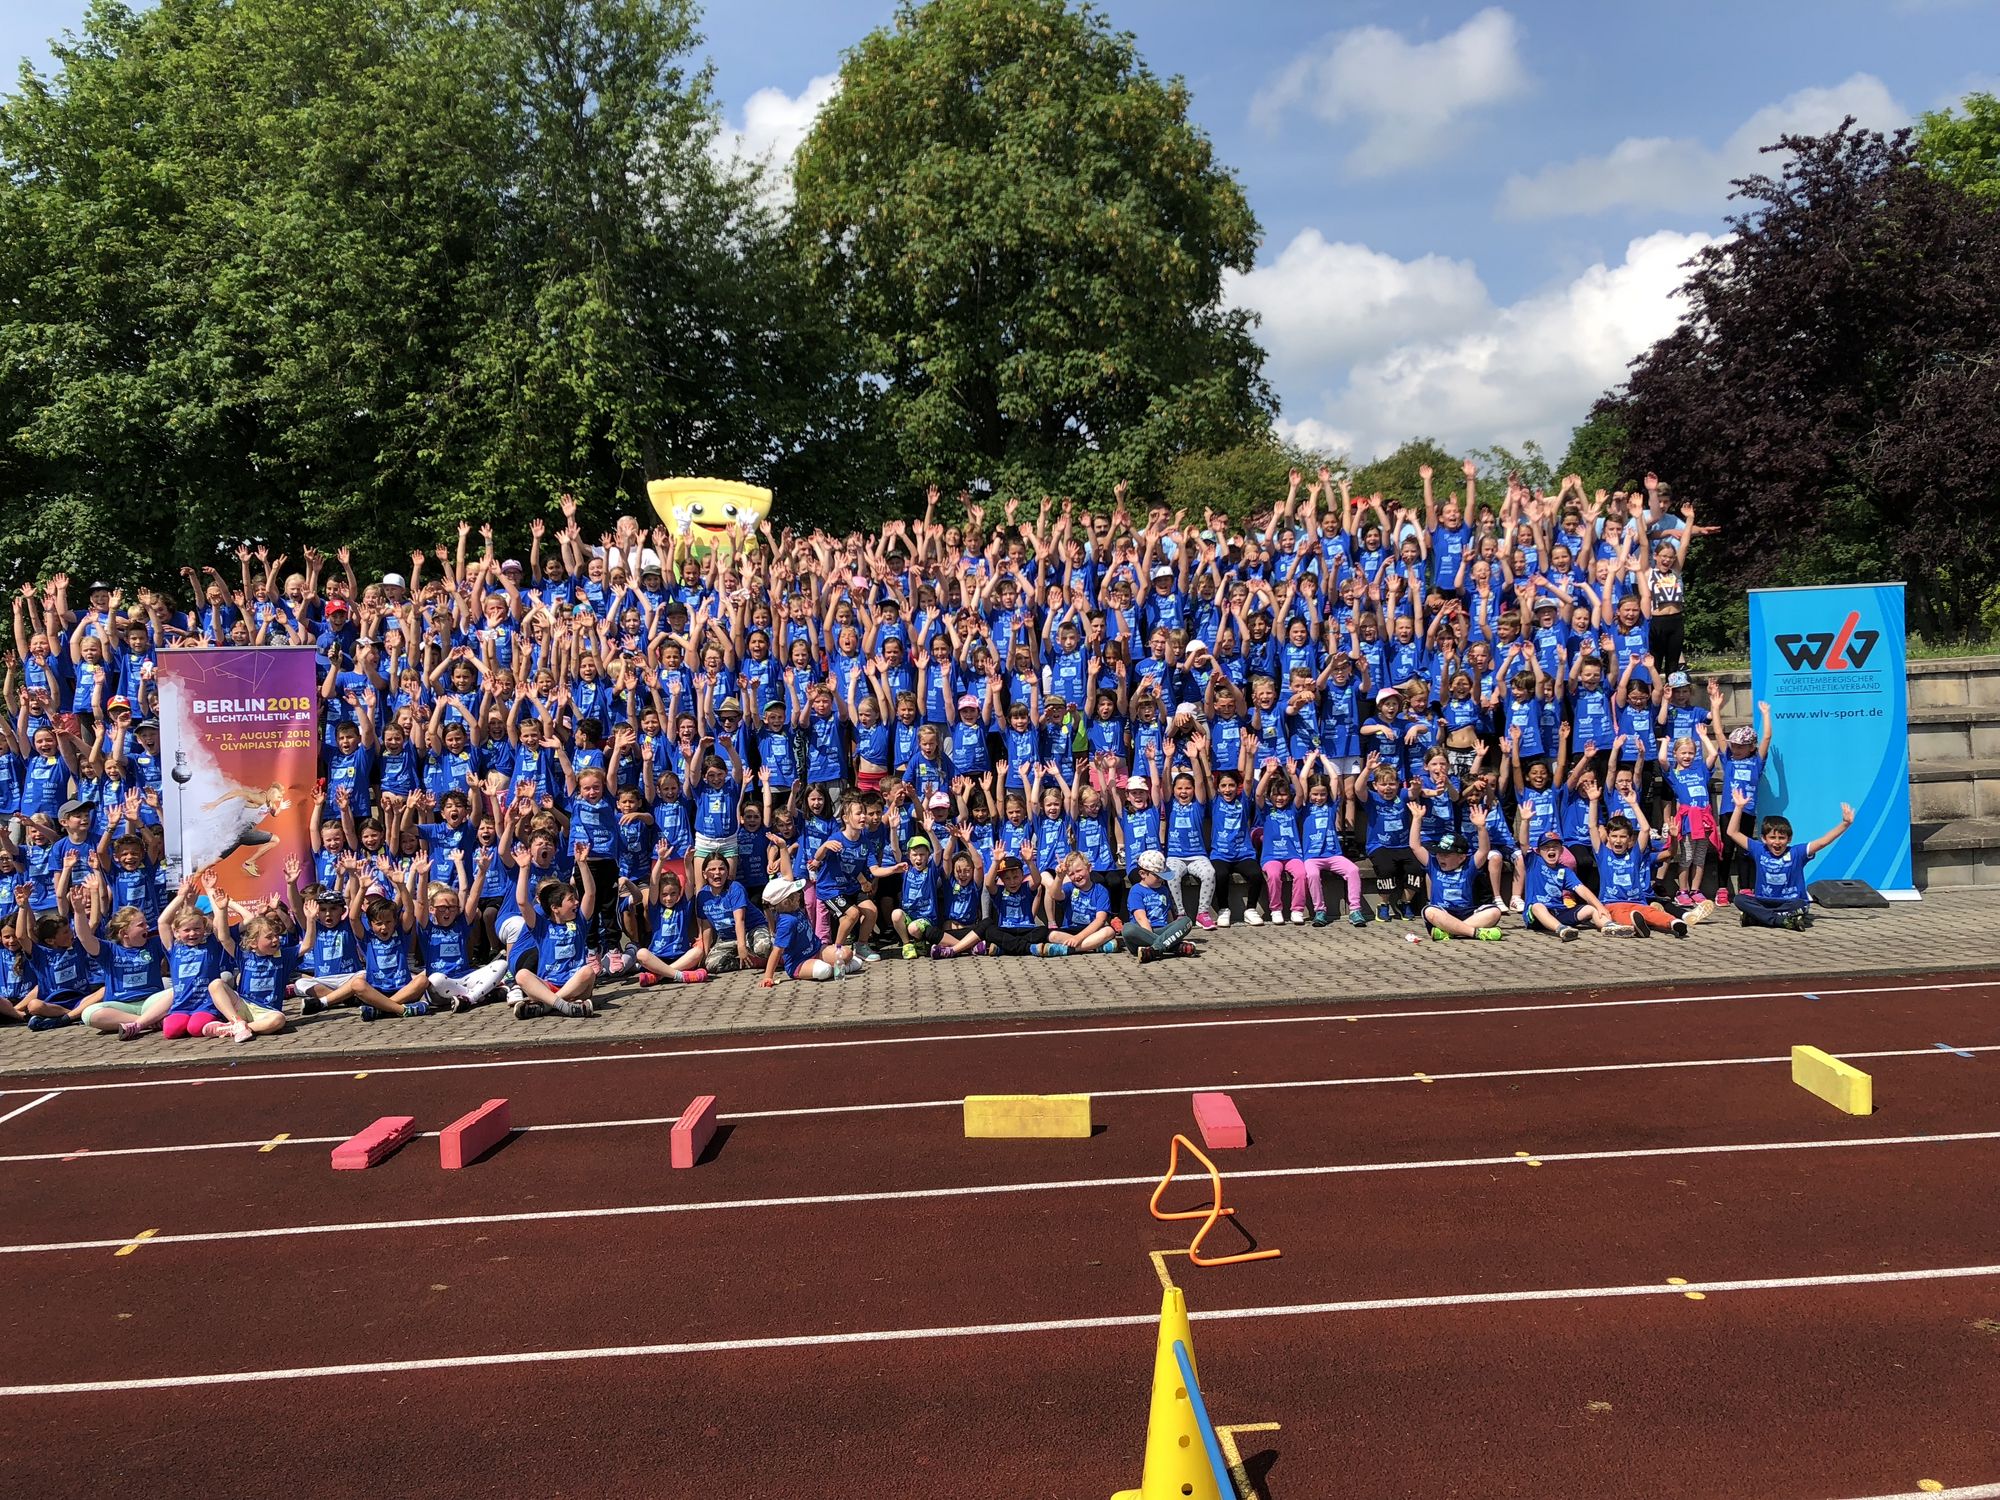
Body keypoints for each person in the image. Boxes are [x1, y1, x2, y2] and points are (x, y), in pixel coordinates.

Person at [1724, 791, 1853, 930]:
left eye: (1782, 838)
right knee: (1740, 899)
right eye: (1772, 837)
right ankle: (1781, 920)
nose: (1777, 842)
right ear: (1764, 839)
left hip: (1790, 902)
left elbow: (1823, 842)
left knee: (1801, 905)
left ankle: (1759, 918)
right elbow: (1732, 832)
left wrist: (1845, 824)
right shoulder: (1759, 849)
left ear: (1789, 839)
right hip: (1764, 902)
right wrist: (1739, 808)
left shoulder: (1797, 852)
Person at [1121, 848, 1195, 962]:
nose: (1161, 879)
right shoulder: (1136, 891)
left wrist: (1172, 930)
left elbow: (1168, 914)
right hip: (1142, 934)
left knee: (1186, 921)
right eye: (1157, 876)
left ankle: (1154, 950)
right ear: (1143, 874)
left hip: (1163, 931)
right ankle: (1172, 947)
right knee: (1128, 929)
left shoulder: (1164, 889)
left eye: (1163, 875)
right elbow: (1141, 918)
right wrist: (1169, 939)